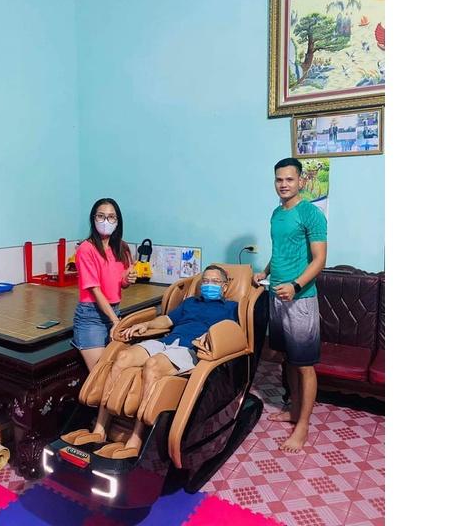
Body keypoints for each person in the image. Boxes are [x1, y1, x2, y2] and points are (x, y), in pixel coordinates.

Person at [62, 265, 238, 459]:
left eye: (215, 281)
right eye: (205, 281)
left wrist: (211, 335)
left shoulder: (231, 308)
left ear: (224, 287)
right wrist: (146, 325)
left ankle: (136, 439)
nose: (209, 285)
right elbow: (167, 321)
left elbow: (231, 333)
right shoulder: (190, 303)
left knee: (152, 365)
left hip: (192, 350)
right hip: (167, 342)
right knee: (122, 357)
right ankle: (100, 429)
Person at [254, 157, 327, 453]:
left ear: (300, 181)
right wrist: (266, 272)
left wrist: (295, 285)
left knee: (305, 365)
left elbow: (320, 260)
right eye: (279, 179)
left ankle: (303, 426)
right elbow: (280, 251)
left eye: (289, 179)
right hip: (277, 295)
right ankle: (294, 409)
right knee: (288, 359)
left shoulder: (311, 213)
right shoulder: (276, 213)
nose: (283, 184)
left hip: (301, 299)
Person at [71, 198, 137, 372]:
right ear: (93, 219)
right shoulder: (86, 249)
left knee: (118, 371)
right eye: (101, 216)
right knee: (101, 376)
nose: (106, 221)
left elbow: (121, 284)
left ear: (117, 221)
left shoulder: (122, 247)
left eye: (111, 217)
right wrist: (115, 321)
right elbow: (95, 290)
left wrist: (127, 279)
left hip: (114, 311)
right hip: (91, 316)